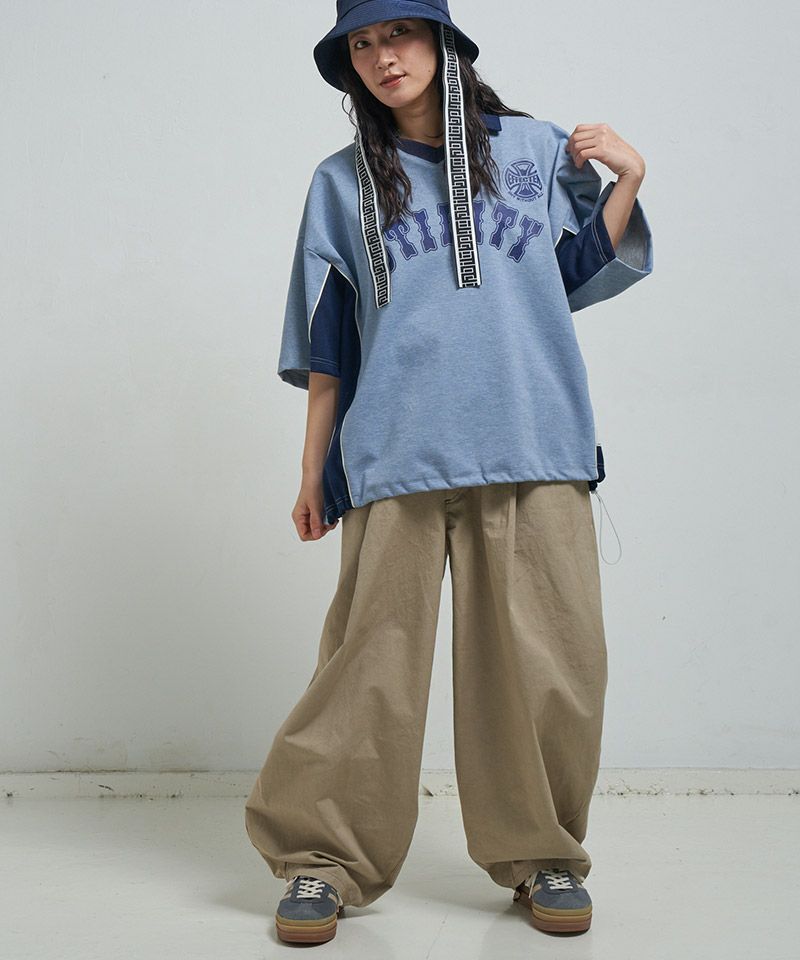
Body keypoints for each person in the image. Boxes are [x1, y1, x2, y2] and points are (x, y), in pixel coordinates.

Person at [245, 0, 653, 945]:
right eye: (362, 44)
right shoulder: (341, 183)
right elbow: (328, 343)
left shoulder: (533, 149)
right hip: (395, 451)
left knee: (552, 664)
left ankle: (544, 852)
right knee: (367, 669)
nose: (383, 57)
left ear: (441, 41)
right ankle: (321, 860)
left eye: (398, 33)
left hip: (535, 441)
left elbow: (571, 273)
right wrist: (311, 471)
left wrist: (628, 178)